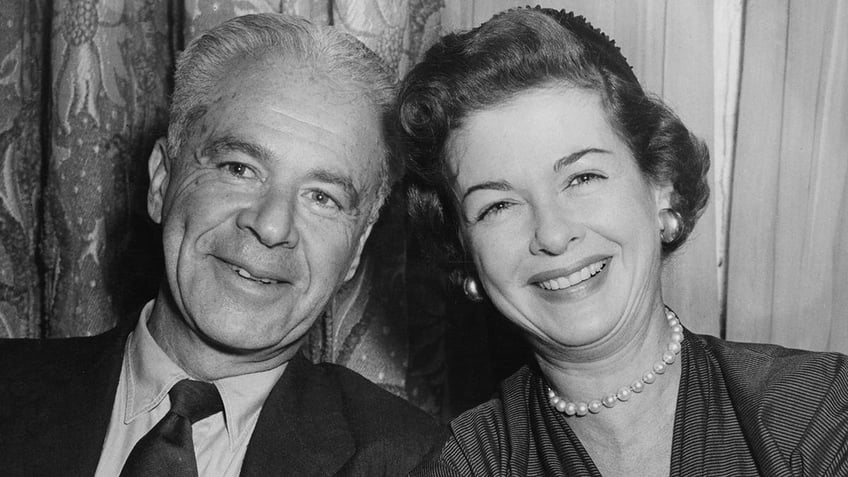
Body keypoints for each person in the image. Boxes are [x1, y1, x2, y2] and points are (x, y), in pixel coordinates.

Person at [396, 6, 848, 476]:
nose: (552, 234)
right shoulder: (469, 463)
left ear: (661, 185)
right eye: (498, 206)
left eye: (582, 177)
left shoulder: (818, 412)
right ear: (464, 256)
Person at [0, 13, 443, 477]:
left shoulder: (416, 462)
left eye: (322, 198)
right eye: (239, 168)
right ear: (161, 181)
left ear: (356, 249)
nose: (272, 227)